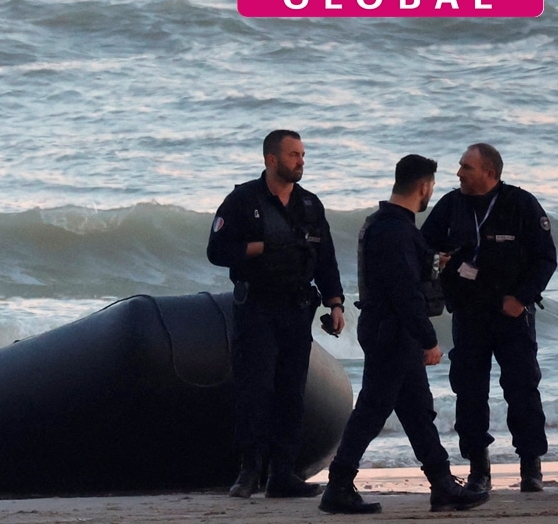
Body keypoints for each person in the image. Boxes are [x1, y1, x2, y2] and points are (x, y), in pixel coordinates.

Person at [318, 155, 489, 514]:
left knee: (416, 410)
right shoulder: (396, 231)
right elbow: (405, 292)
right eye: (432, 187)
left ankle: (442, 483)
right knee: (372, 410)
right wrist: (429, 339)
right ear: (424, 186)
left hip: (388, 331)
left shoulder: (386, 225)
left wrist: (430, 260)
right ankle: (338, 485)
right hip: (392, 334)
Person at [207, 129, 345, 498]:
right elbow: (217, 250)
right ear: (271, 159)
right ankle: (249, 471)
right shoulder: (242, 200)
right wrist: (259, 248)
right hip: (257, 308)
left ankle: (283, 473)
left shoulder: (311, 206)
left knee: (292, 393)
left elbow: (326, 259)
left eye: (302, 154)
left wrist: (335, 303)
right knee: (256, 390)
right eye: (293, 155)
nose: (301, 161)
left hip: (298, 309)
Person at [420, 143, 556, 493]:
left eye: (466, 167)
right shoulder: (452, 205)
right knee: (469, 391)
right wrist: (439, 262)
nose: (459, 173)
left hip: (511, 314)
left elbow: (546, 258)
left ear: (489, 173)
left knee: (522, 388)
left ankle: (531, 467)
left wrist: (522, 298)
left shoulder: (520, 203)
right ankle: (479, 468)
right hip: (468, 313)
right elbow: (421, 247)